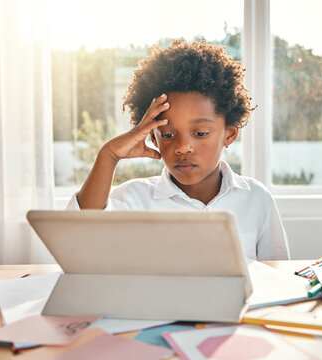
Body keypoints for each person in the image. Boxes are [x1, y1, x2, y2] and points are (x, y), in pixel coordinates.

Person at [67, 40, 289, 261]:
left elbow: (279, 276)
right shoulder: (134, 198)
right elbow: (82, 239)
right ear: (153, 137)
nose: (183, 147)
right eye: (168, 135)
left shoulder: (256, 199)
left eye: (201, 133)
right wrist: (109, 155)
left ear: (229, 134)